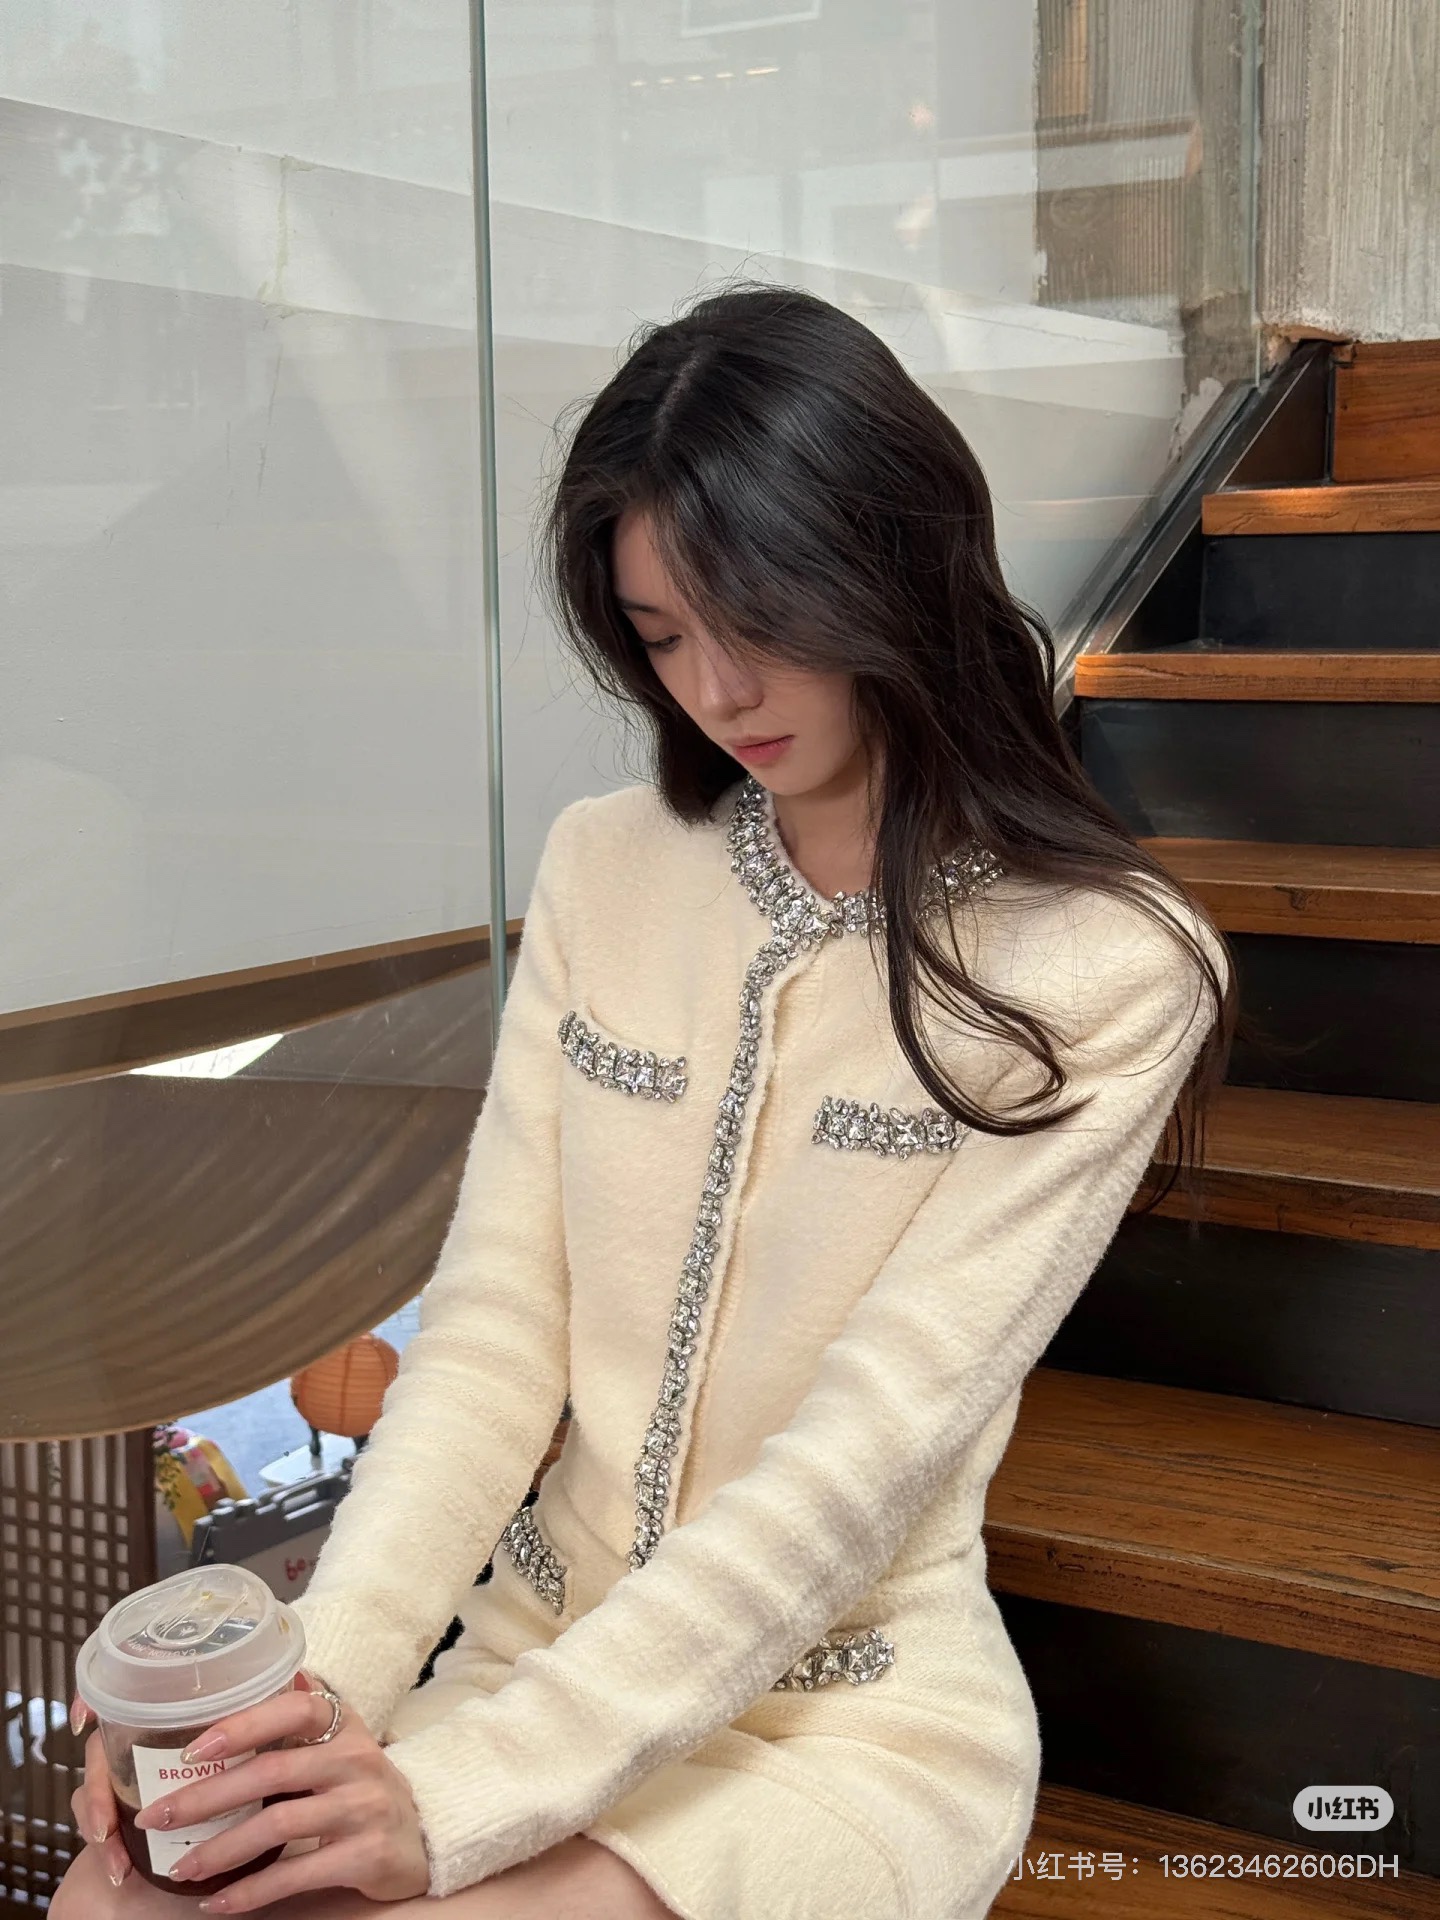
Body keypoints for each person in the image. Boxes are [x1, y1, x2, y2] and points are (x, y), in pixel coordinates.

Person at [59, 281, 1234, 1919]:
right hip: (535, 1652)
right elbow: (491, 1337)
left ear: (894, 569)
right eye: (663, 636)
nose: (717, 691)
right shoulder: (607, 867)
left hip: (841, 1726)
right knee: (122, 1899)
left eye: (761, 620)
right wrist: (306, 1704)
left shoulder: (1107, 966)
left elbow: (868, 1456)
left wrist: (455, 1801)